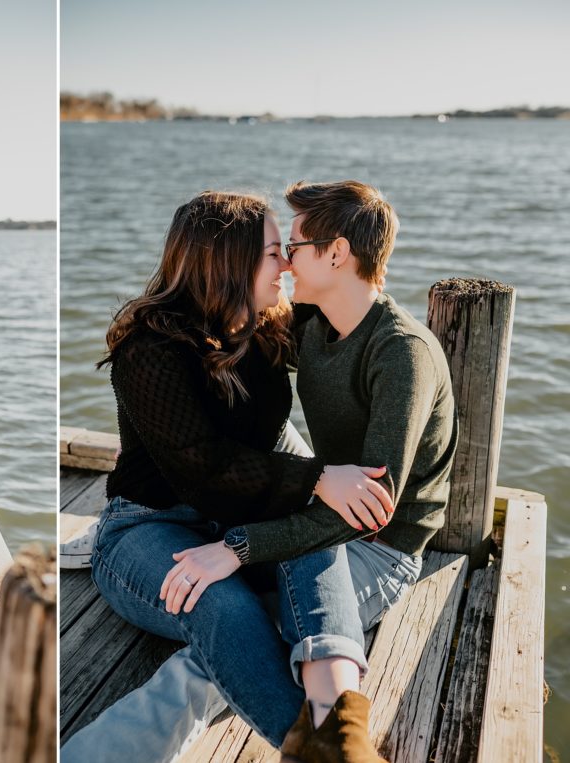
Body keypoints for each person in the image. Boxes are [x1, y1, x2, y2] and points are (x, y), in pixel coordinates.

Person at [62, 182, 457, 763]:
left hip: (275, 525)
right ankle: (324, 751)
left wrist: (244, 542)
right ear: (229, 261)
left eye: (290, 246)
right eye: (276, 250)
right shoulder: (153, 349)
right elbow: (199, 464)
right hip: (152, 527)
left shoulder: (275, 326)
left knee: (247, 629)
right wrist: (314, 479)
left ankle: (333, 738)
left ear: (335, 251)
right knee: (228, 609)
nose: (286, 262)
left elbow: (352, 348)